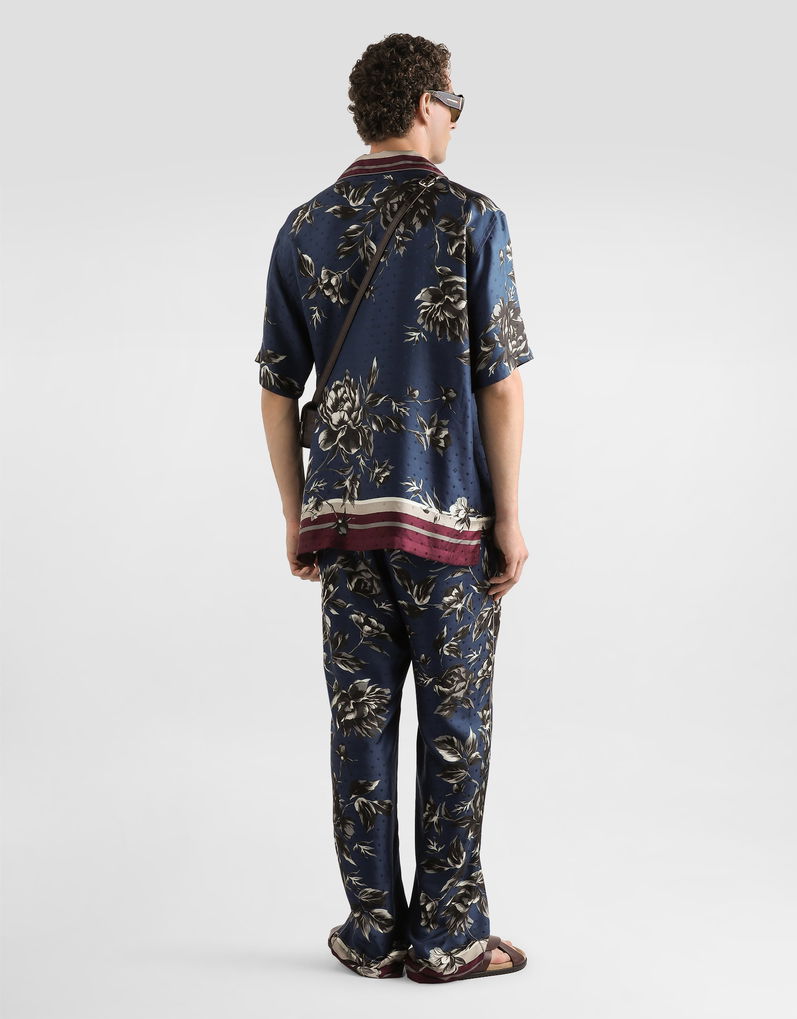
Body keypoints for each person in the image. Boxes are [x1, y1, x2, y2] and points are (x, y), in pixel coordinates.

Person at [256, 33, 533, 982]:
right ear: (423, 103)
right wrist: (510, 516)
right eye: (454, 99)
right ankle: (448, 935)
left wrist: (295, 512)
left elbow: (276, 388)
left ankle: (372, 931)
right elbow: (500, 383)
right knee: (455, 728)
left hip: (341, 524)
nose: (456, 117)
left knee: (359, 724)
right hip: (447, 522)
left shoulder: (303, 226)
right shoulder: (472, 218)